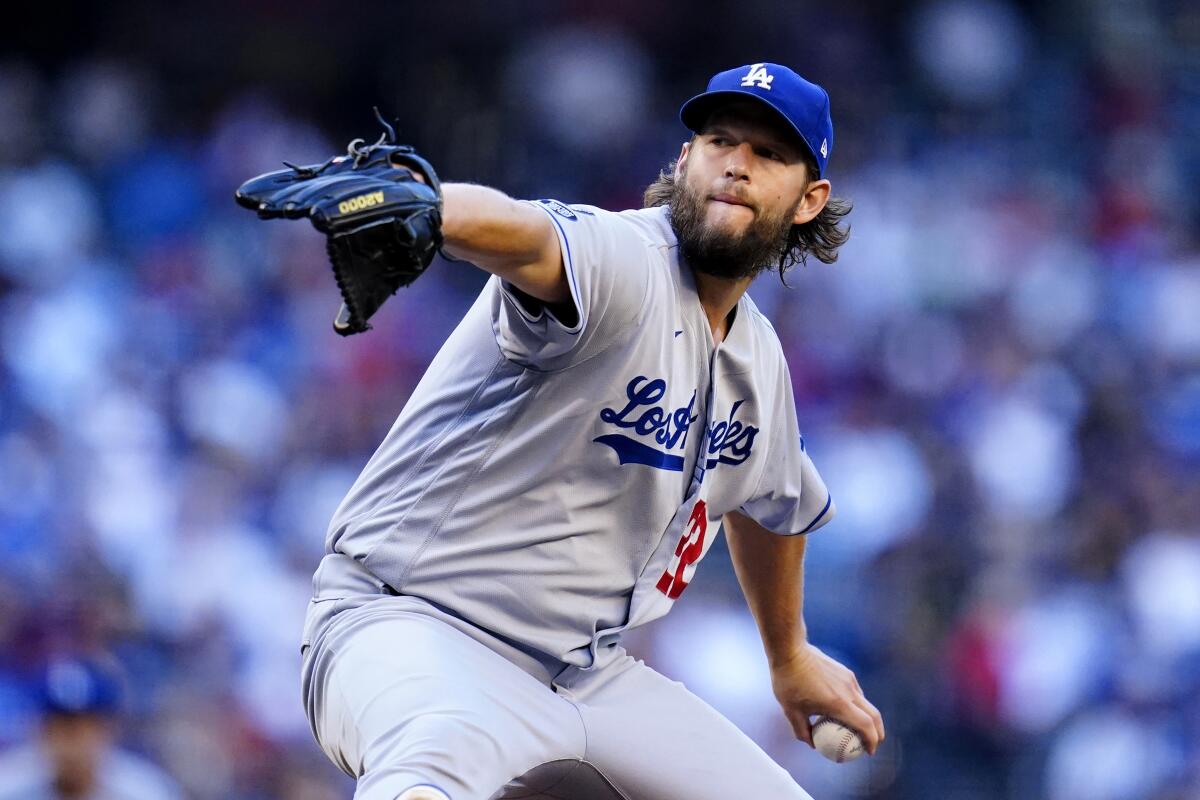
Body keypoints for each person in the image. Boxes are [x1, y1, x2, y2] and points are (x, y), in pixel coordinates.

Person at [300, 62, 885, 800]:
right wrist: (432, 207)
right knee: (423, 785)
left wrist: (789, 653)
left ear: (810, 200)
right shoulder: (626, 260)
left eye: (768, 154)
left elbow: (772, 500)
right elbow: (529, 236)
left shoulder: (757, 360)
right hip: (414, 627)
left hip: (590, 679)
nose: (735, 164)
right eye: (718, 140)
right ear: (683, 161)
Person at [0, 657, 181, 800]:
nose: (71, 744)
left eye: (83, 729)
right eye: (61, 729)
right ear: (39, 730)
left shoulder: (147, 792)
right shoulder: (8, 787)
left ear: (109, 729)